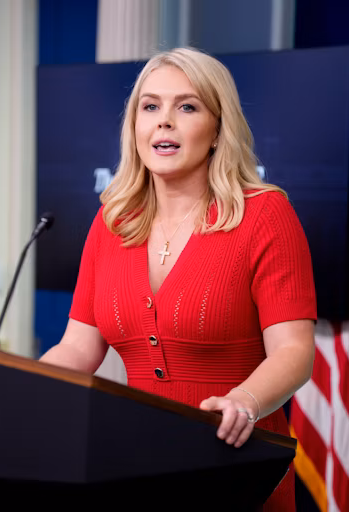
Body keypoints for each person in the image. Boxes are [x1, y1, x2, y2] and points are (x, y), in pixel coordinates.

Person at [40, 47, 316, 510]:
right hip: (137, 464)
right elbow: (78, 348)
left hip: (235, 463)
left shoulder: (265, 215)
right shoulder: (112, 222)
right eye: (150, 107)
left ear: (218, 130)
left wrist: (244, 401)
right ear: (135, 126)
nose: (164, 121)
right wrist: (23, 388)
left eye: (187, 107)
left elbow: (294, 352)